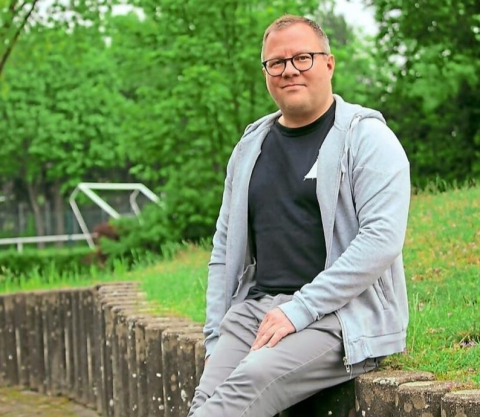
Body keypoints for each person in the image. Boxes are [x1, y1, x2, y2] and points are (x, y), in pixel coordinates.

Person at [187, 14, 410, 417]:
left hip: (338, 315)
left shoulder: (367, 138)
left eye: (303, 58)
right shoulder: (249, 147)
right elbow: (223, 250)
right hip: (255, 310)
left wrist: (299, 310)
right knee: (207, 400)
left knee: (249, 384)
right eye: (277, 62)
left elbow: (381, 240)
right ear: (266, 72)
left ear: (329, 63)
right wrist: (215, 336)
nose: (289, 69)